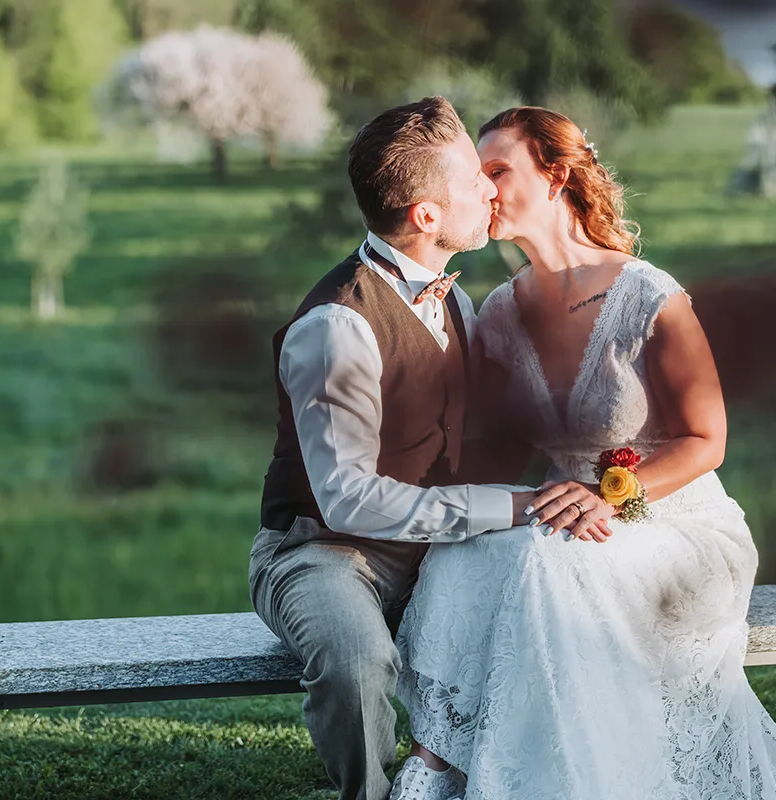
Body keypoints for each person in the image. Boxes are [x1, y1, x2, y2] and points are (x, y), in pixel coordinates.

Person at [391, 106, 776, 800]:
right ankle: (440, 767)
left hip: (675, 523)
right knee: (469, 555)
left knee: (552, 565)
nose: (486, 190)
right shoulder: (497, 312)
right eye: (477, 177)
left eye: (499, 171)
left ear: (555, 176)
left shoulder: (649, 296)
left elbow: (709, 441)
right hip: (565, 523)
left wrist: (610, 495)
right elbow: (491, 451)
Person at [249, 97, 540, 800]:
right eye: (475, 178)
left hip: (429, 544)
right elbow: (347, 498)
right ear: (427, 217)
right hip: (323, 550)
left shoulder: (455, 302)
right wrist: (504, 507)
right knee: (355, 660)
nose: (491, 189)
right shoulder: (334, 327)